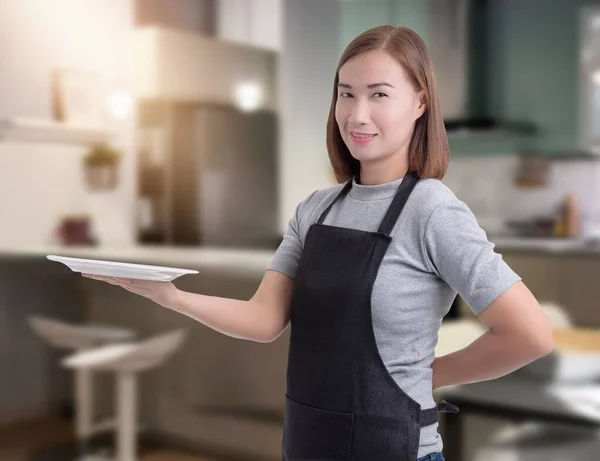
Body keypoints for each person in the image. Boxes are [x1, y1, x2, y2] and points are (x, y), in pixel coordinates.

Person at [84, 26, 554, 461]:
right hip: (307, 445)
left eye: (379, 95)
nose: (357, 113)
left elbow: (529, 334)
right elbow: (265, 319)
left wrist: (431, 374)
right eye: (346, 94)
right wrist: (169, 295)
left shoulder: (433, 211)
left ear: (420, 103)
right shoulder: (316, 209)